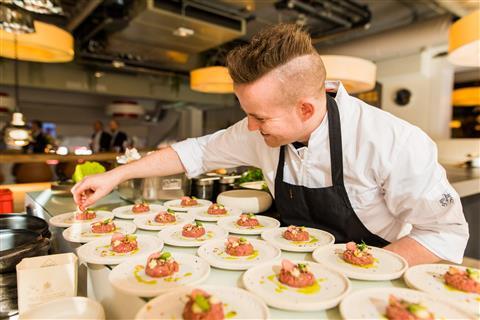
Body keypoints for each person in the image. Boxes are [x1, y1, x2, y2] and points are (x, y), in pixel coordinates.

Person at [72, 24, 469, 266]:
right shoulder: (257, 132)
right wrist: (116, 175)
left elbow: (444, 233)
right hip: (281, 267)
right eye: (249, 113)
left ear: (306, 107)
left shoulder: (392, 141)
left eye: (261, 117)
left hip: (372, 267)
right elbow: (192, 152)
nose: (250, 125)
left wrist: (361, 268)